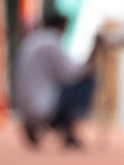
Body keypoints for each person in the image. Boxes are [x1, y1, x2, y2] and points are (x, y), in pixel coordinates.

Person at [13, 11, 93, 149]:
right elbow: (72, 74)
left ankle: (33, 125)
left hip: (24, 109)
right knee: (86, 82)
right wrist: (94, 53)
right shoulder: (52, 42)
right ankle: (67, 128)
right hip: (44, 107)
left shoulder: (31, 40)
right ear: (62, 26)